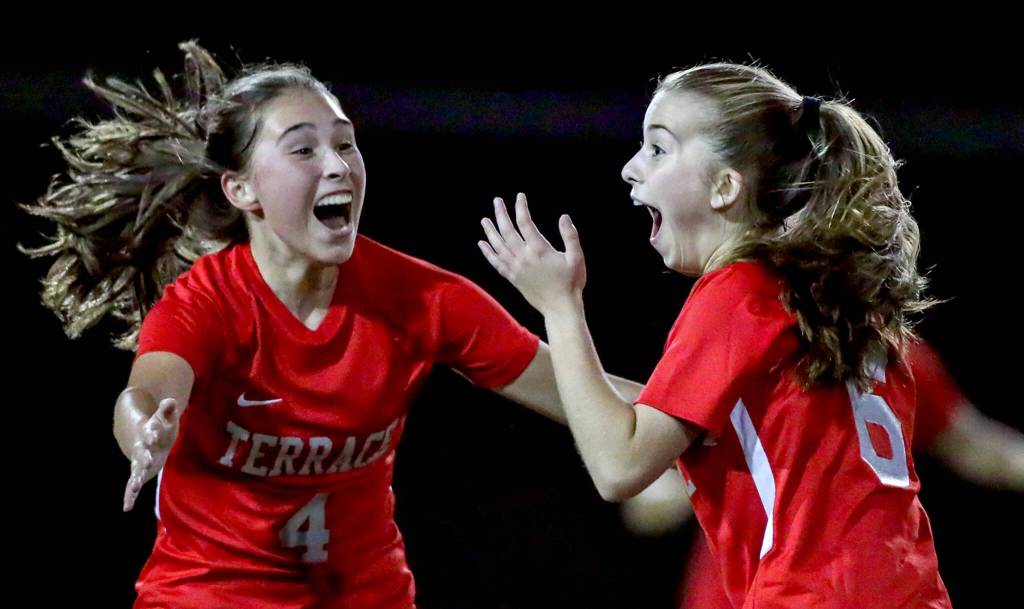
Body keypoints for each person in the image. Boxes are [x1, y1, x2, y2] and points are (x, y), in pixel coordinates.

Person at [21, 41, 641, 609]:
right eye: (302, 149)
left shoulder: (422, 297)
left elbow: (585, 398)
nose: (339, 165)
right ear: (240, 189)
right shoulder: (204, 305)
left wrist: (698, 405)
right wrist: (145, 433)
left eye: (345, 143)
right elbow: (150, 391)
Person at [479, 63, 951, 608]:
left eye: (658, 148)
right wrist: (496, 353)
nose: (632, 169)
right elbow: (686, 422)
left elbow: (620, 464)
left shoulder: (738, 291)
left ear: (726, 186)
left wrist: (561, 308)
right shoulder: (828, 302)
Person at [620, 338, 1024, 608]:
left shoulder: (892, 352)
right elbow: (645, 505)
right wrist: (729, 479)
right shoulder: (744, 353)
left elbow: (977, 446)